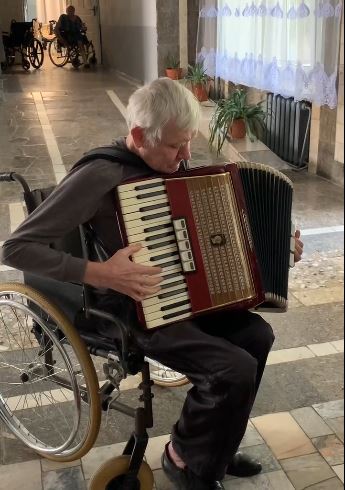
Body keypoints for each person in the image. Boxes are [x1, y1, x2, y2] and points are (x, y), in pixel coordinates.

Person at [1, 77, 303, 490]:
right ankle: (188, 462)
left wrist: (279, 237)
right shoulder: (100, 175)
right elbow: (15, 249)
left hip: (188, 298)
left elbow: (222, 226)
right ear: (140, 135)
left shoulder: (173, 164)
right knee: (233, 369)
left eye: (189, 143)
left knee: (257, 336)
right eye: (175, 146)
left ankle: (215, 443)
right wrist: (101, 272)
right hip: (133, 311)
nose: (185, 157)